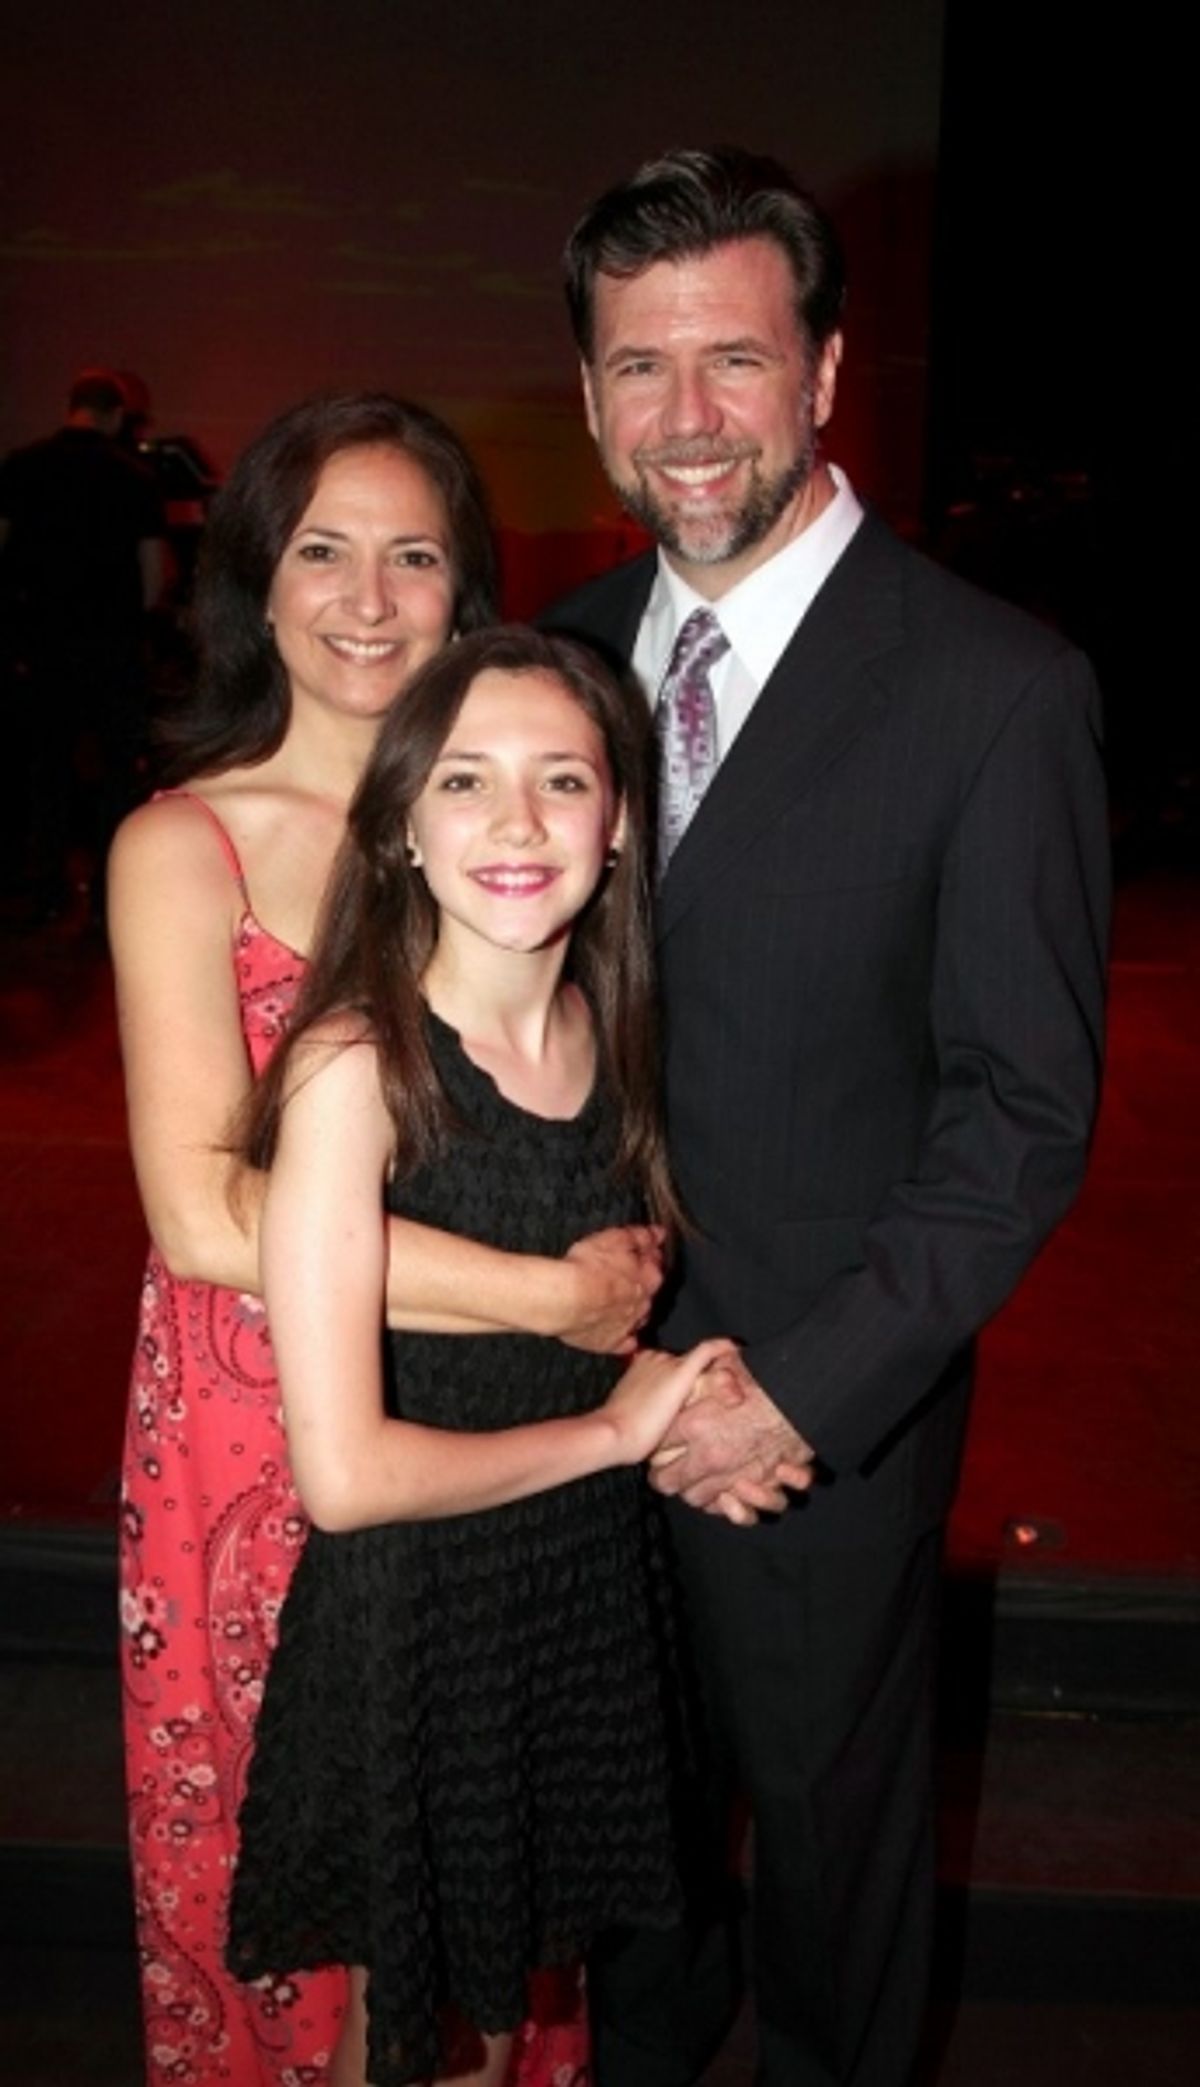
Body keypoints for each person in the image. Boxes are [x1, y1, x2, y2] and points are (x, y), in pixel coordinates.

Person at [543, 148, 1111, 2086]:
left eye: (735, 357)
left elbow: (1021, 1112)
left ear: (827, 372)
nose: (687, 414)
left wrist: (799, 1389)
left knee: (829, 1889)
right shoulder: (556, 655)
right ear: (590, 395)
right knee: (623, 1868)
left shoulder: (995, 687)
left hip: (815, 1435)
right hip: (565, 1406)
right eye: (640, 365)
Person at [111, 398, 661, 2087]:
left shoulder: (511, 829)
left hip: (489, 1434)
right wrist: (553, 1299)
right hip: (260, 1425)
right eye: (321, 550)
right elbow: (205, 1212)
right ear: (254, 582)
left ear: (466, 585)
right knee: (313, 1898)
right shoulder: (184, 842)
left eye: (413, 553)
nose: (367, 596)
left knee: (474, 1910)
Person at [223, 624, 734, 2087]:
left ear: (619, 822)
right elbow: (345, 1475)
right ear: (400, 823)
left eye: (562, 778)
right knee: (420, 2038)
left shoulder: (610, 1035)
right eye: (464, 779)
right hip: (425, 1608)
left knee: (498, 2021)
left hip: (568, 1594)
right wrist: (617, 1433)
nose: (517, 821)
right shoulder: (356, 1065)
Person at [0, 368, 168, 917]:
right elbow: (151, 572)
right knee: (118, 772)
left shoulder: (22, 466)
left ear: (70, 406)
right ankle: (106, 895)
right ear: (116, 414)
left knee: (44, 765)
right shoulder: (135, 477)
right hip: (111, 643)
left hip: (41, 640)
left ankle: (43, 885)